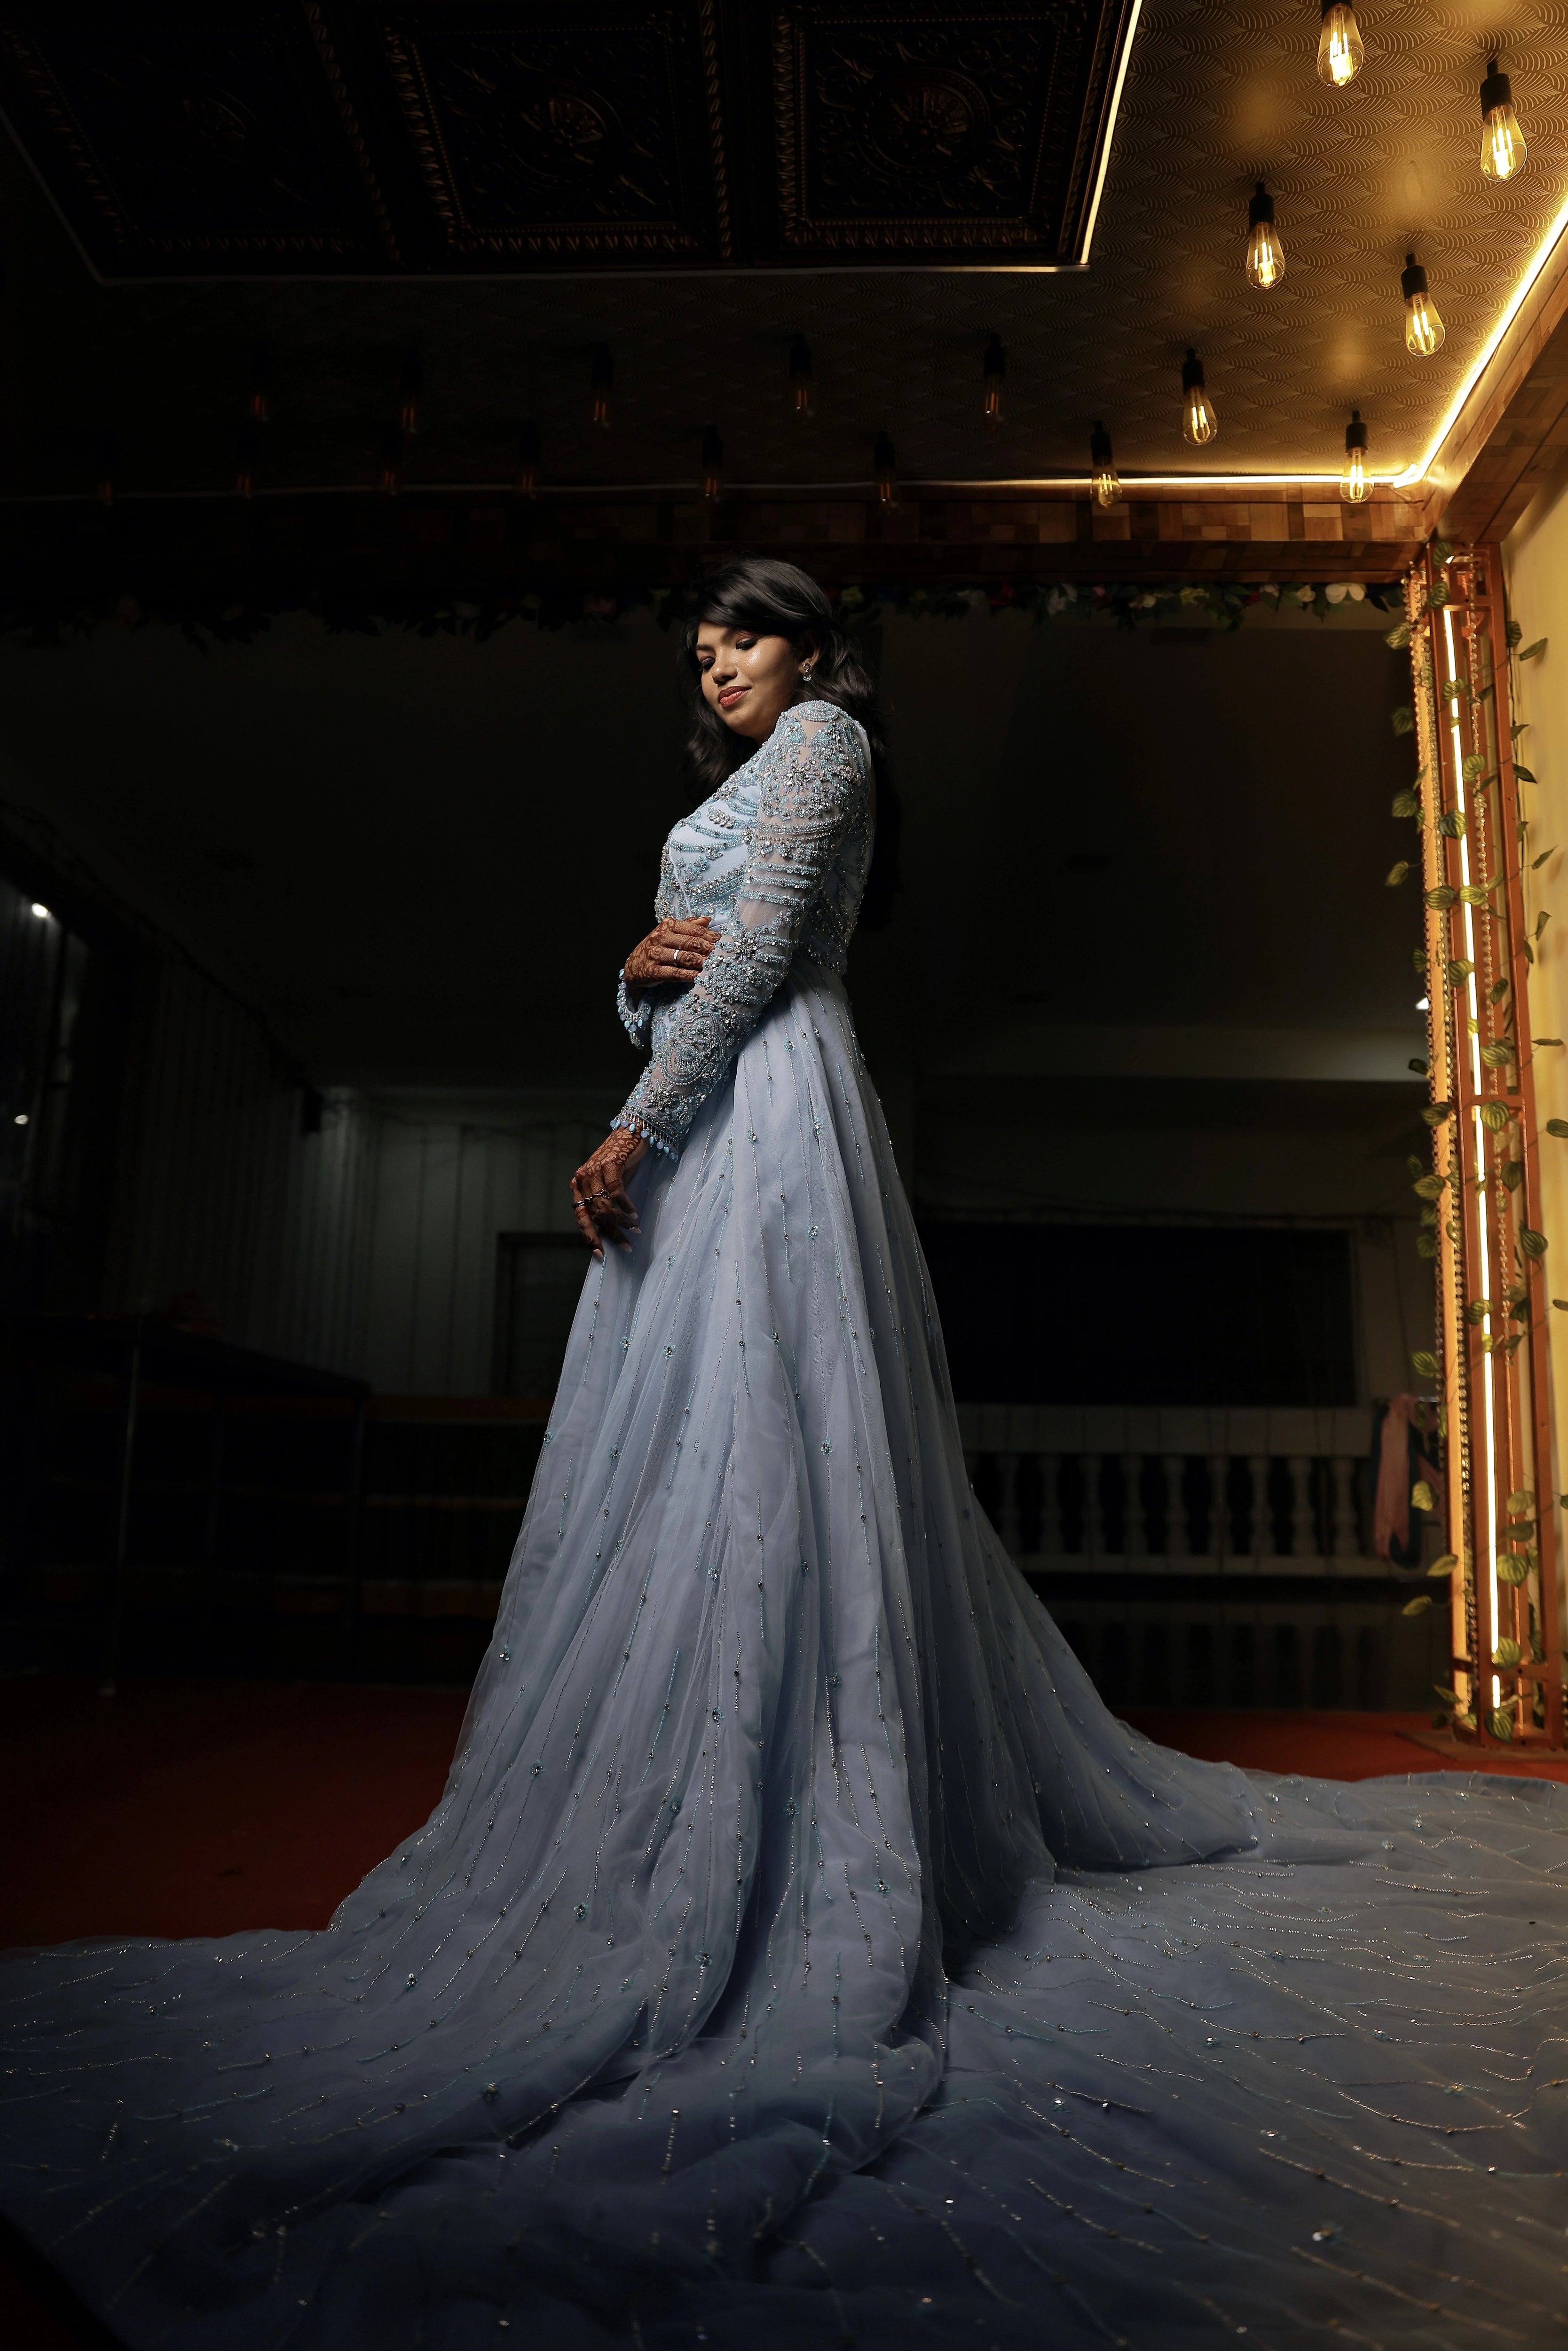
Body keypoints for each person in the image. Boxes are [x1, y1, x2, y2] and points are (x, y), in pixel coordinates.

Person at [3, 557, 1566, 2349]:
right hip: (704, 1111)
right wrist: (621, 988)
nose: (721, 662)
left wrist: (631, 1124)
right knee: (683, 1482)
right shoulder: (716, 789)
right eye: (703, 646)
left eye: (743, 633)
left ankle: (813, 1831)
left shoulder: (830, 738)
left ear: (811, 646)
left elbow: (765, 953)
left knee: (783, 1467)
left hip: (771, 1120)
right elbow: (680, 968)